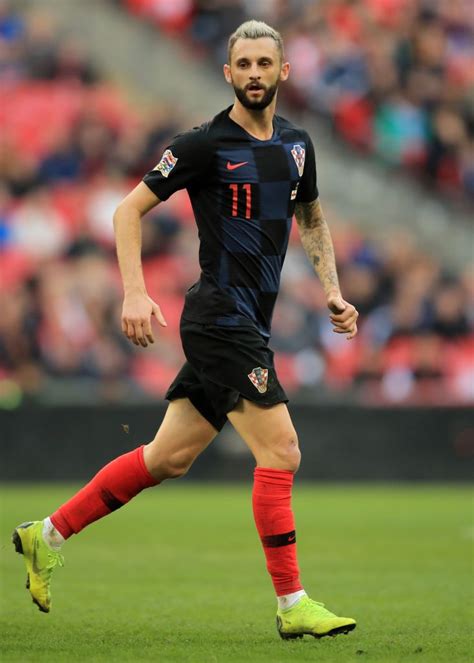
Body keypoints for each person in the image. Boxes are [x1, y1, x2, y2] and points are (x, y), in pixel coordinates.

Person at [13, 20, 359, 641]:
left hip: (248, 319)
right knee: (281, 451)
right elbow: (128, 209)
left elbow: (311, 216)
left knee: (166, 458)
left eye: (264, 63)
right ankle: (292, 603)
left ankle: (46, 534)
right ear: (227, 74)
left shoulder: (299, 145)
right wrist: (136, 292)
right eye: (243, 64)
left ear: (285, 72)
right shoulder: (202, 145)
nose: (254, 73)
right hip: (218, 318)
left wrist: (332, 288)